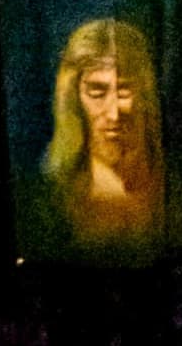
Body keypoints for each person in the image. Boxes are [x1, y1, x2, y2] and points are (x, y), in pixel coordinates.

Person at [23, 18, 168, 267]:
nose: (113, 114)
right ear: (74, 98)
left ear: (144, 92)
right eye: (97, 92)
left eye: (124, 90)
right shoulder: (44, 199)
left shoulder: (174, 183)